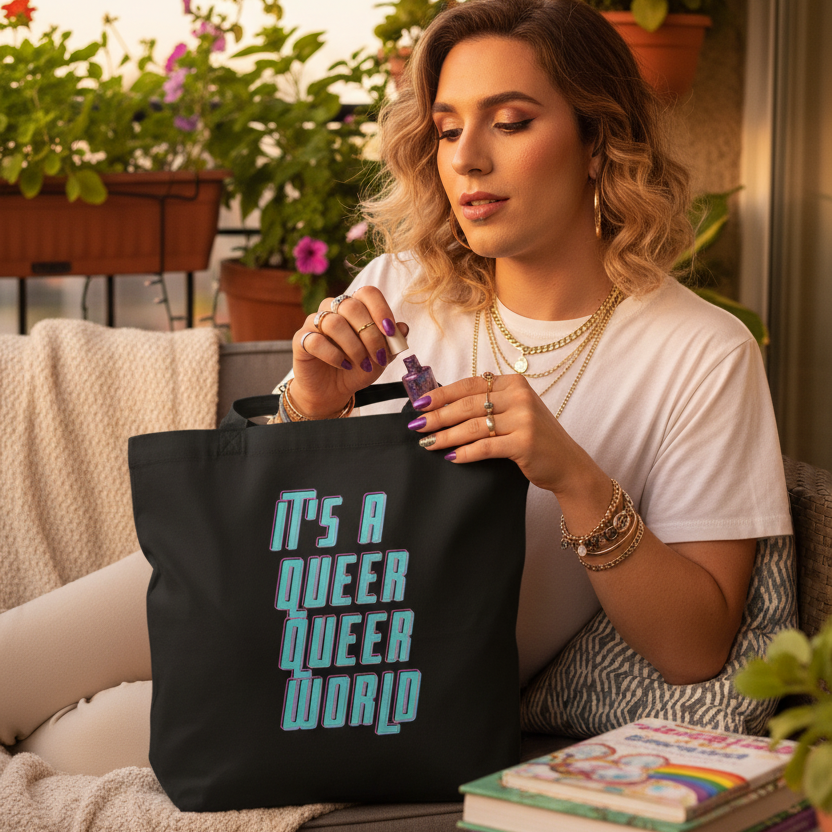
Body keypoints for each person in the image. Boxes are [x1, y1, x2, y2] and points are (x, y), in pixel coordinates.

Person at [0, 0, 791, 777]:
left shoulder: (701, 352)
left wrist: (572, 475)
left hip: (370, 683)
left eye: (510, 122)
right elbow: (257, 521)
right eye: (448, 129)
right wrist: (311, 404)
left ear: (598, 141)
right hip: (264, 591)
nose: (467, 158)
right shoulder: (404, 287)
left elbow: (696, 649)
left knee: (70, 746)